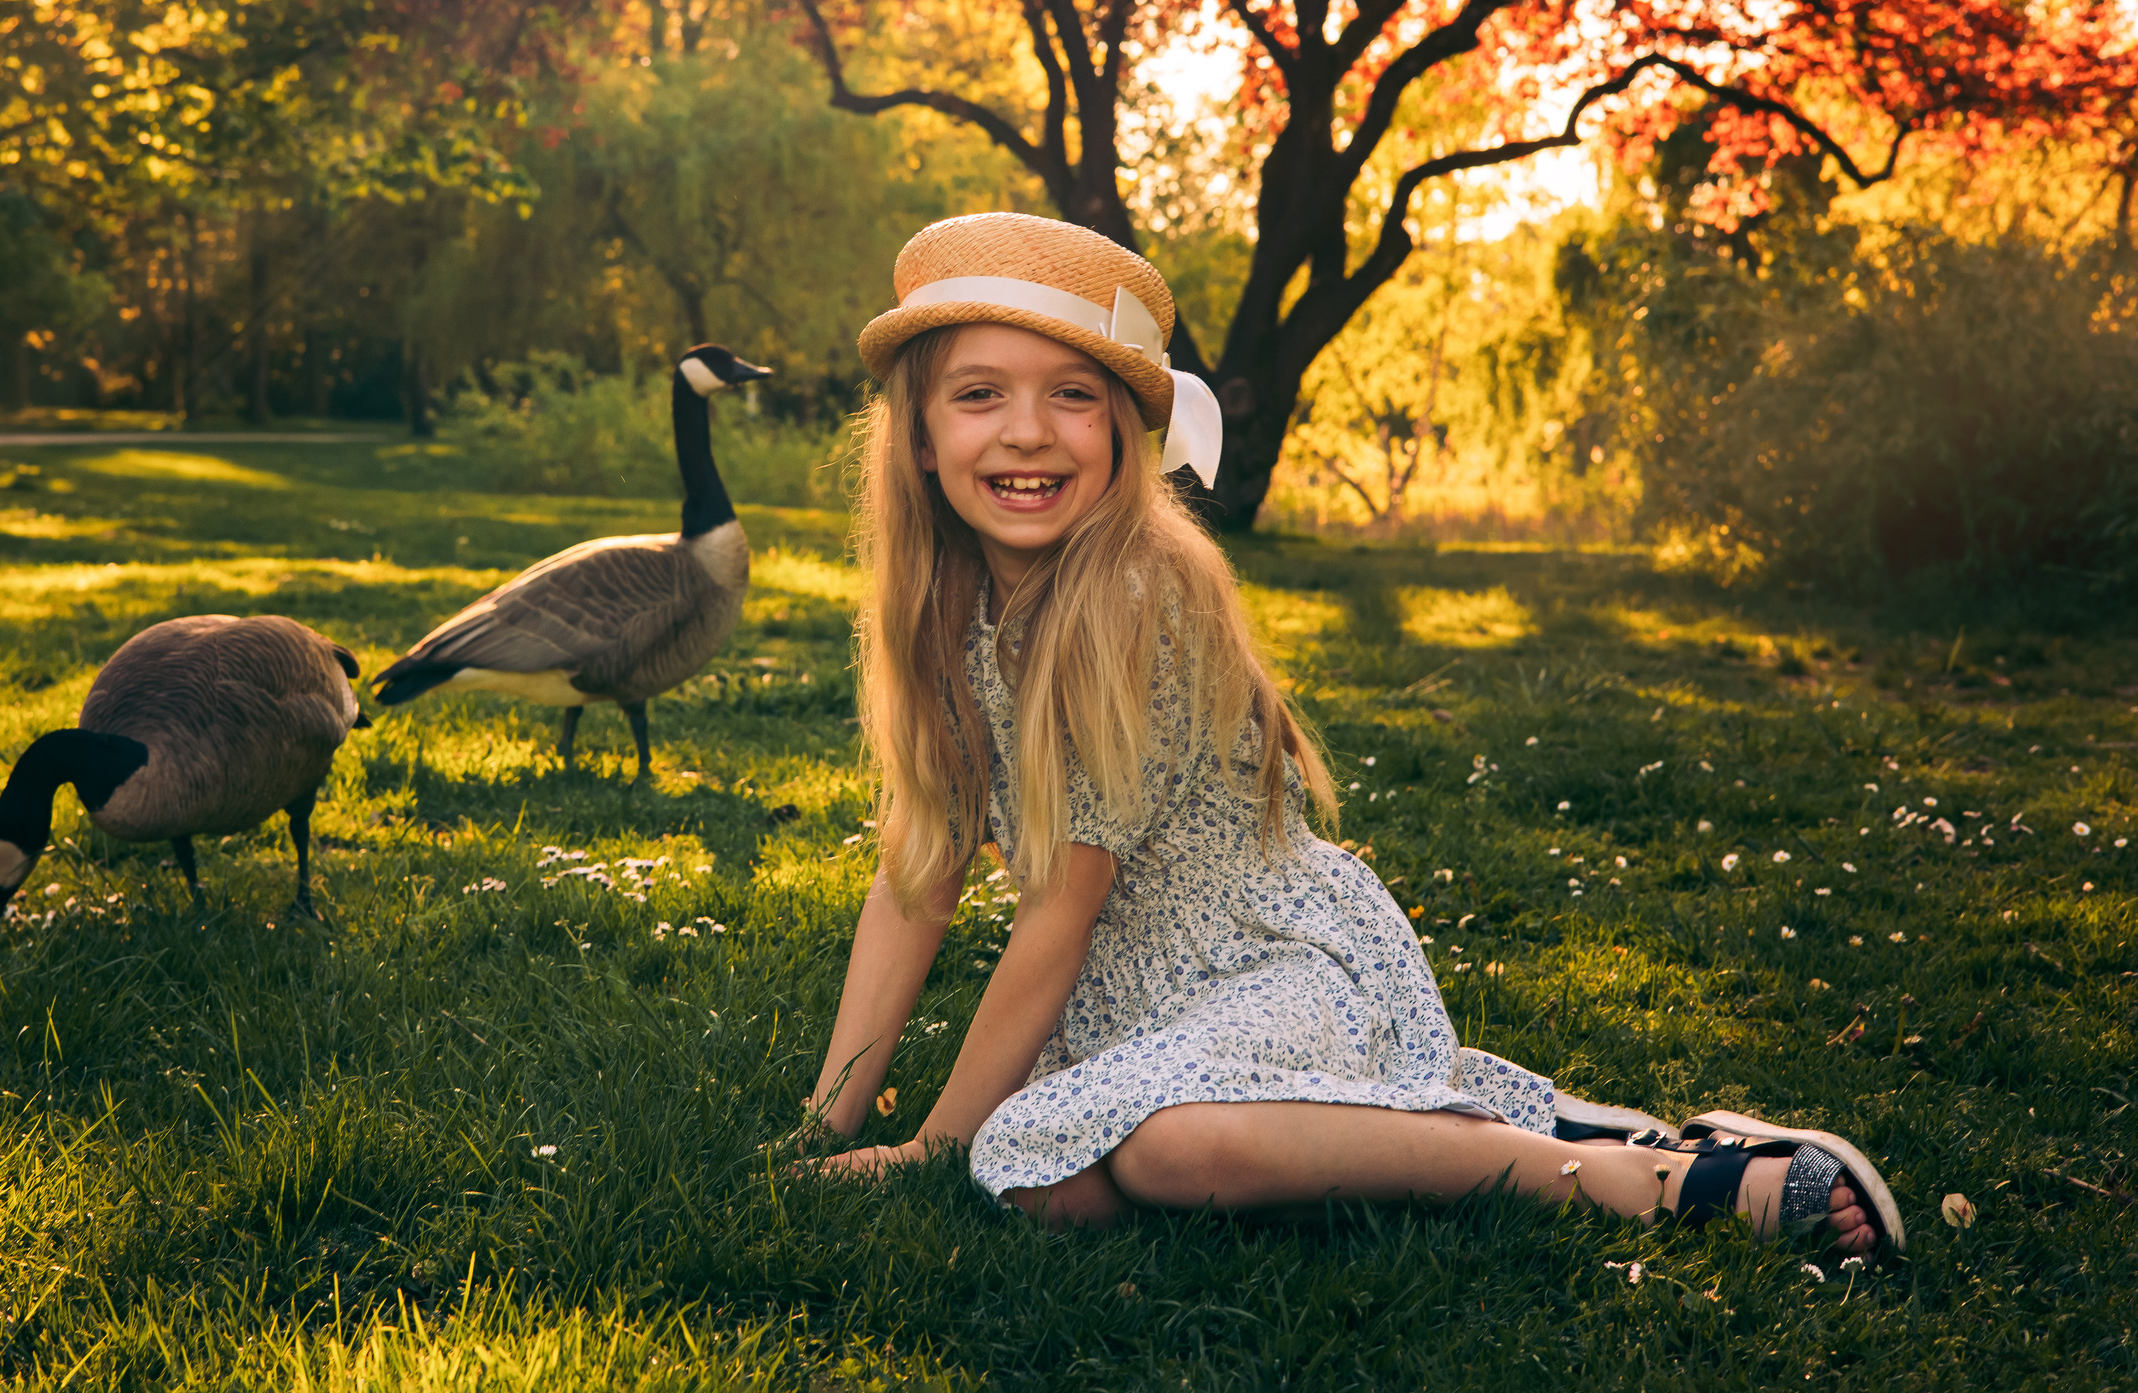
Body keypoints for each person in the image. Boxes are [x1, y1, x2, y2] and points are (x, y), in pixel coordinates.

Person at [797, 212, 1900, 1257]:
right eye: (979, 393)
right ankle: (1502, 1121)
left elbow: (1059, 911)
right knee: (1043, 1183)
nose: (1028, 430)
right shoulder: (946, 608)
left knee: (1161, 1150)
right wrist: (825, 1121)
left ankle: (1644, 1177)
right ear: (922, 437)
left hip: (1267, 962)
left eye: (1072, 394)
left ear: (1124, 434)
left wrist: (931, 1148)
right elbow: (919, 874)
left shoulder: (1134, 598)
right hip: (1127, 1002)